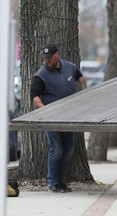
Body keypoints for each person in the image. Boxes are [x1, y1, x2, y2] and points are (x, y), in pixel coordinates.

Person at [30, 43, 87, 193]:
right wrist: (44, 110)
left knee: (68, 148)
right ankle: (53, 182)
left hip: (69, 116)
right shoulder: (41, 75)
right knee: (56, 149)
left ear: (56, 56)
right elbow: (34, 96)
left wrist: (85, 92)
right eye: (44, 59)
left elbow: (80, 78)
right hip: (51, 117)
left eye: (49, 58)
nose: (46, 61)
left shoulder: (70, 67)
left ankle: (61, 181)